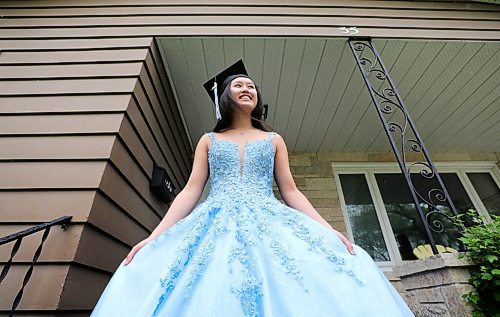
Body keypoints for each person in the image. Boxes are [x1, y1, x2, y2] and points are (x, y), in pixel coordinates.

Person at [90, 60, 415, 317]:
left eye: (251, 86)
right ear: (224, 97)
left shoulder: (274, 141)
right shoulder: (209, 140)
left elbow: (291, 192)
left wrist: (330, 230)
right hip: (214, 223)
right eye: (238, 85)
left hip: (270, 218)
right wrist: (154, 237)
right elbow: (190, 191)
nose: (246, 88)